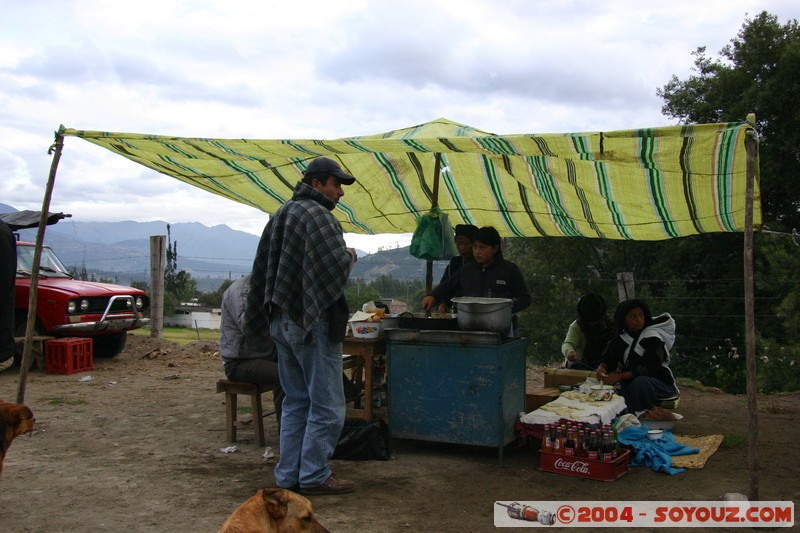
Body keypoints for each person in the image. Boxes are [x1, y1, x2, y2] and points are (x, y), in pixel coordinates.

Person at [245, 156, 358, 496]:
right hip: (312, 324)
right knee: (327, 406)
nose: (339, 192)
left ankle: (288, 476)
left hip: (281, 320)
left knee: (296, 402)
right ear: (316, 183)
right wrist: (351, 256)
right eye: (336, 184)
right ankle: (314, 475)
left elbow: (262, 268)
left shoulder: (281, 214)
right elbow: (334, 266)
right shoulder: (318, 216)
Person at [421, 226, 531, 333]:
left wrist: (505, 310)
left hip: (502, 329)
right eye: (475, 247)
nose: (477, 251)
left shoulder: (509, 269)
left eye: (482, 247)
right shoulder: (466, 270)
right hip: (470, 326)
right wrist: (433, 296)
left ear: (495, 248)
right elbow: (448, 285)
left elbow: (525, 299)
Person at [219, 274, 284, 427]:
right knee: (284, 376)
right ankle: (287, 432)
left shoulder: (264, 287)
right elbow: (250, 328)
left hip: (263, 354)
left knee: (305, 362)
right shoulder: (242, 291)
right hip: (240, 361)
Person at [596, 299, 680, 415]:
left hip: (657, 383)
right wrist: (602, 368)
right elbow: (608, 359)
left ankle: (644, 414)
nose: (639, 320)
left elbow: (650, 368)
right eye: (633, 317)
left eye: (641, 315)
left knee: (639, 383)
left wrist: (620, 376)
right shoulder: (621, 338)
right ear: (624, 319)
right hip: (631, 381)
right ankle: (626, 415)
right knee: (611, 389)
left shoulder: (653, 337)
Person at [561, 292, 616, 370]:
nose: (593, 323)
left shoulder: (611, 326)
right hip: (580, 366)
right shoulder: (576, 327)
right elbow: (568, 343)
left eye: (596, 320)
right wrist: (570, 352)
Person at [434, 224, 478, 313]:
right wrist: (442, 303)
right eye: (458, 244)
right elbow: (444, 287)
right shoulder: (454, 264)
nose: (462, 248)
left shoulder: (482, 264)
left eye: (466, 244)